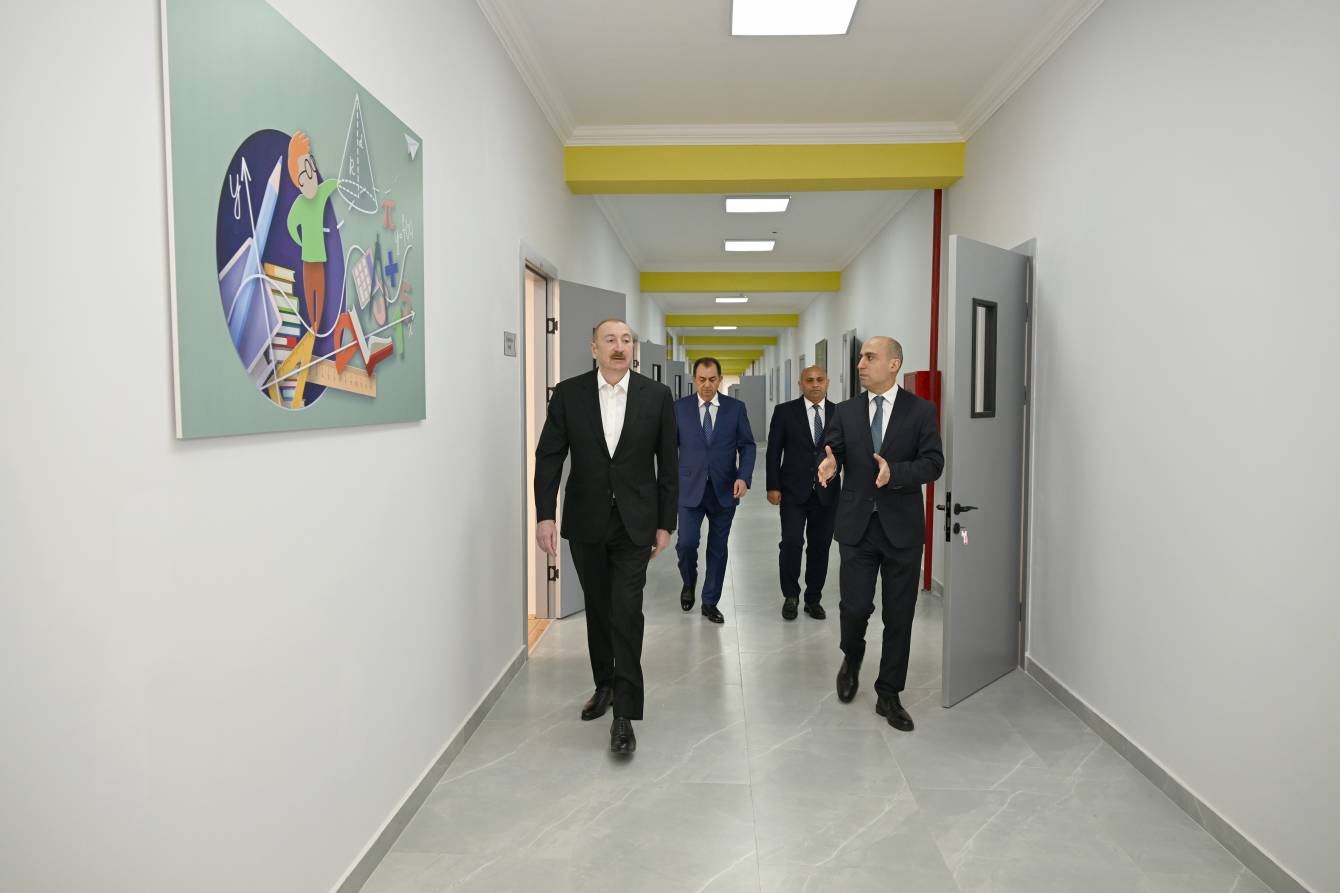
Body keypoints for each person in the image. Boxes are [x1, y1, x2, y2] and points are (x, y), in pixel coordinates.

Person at [534, 319, 677, 755]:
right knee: (598, 608)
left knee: (626, 612)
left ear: (633, 348)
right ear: (593, 347)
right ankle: (605, 685)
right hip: (587, 520)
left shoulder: (656, 395)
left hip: (635, 522)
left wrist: (665, 523)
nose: (619, 347)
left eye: (626, 340)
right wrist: (545, 515)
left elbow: (669, 464)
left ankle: (625, 715)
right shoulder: (569, 394)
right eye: (610, 340)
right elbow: (549, 455)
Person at [817, 337, 943, 732]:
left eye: (869, 357)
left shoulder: (920, 410)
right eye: (860, 358)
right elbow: (832, 450)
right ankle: (852, 656)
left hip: (902, 528)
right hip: (857, 525)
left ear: (894, 364)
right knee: (854, 607)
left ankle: (889, 692)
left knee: (899, 615)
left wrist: (896, 473)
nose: (860, 364)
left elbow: (933, 463)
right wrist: (828, 465)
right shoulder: (846, 411)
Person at [674, 358, 756, 625]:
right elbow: (668, 448)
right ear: (694, 380)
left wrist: (743, 477)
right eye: (702, 379)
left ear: (719, 379)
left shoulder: (735, 408)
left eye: (712, 379)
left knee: (718, 548)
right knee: (686, 544)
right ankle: (689, 582)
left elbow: (747, 446)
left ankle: (710, 602)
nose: (707, 385)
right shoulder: (680, 408)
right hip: (689, 488)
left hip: (724, 489)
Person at [765, 366, 840, 621]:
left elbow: (845, 452)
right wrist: (773, 486)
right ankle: (791, 596)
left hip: (827, 493)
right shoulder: (785, 412)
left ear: (827, 382)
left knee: (820, 546)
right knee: (791, 542)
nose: (815, 384)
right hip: (792, 491)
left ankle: (813, 599)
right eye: (809, 380)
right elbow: (773, 451)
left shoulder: (840, 413)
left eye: (820, 380)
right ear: (800, 384)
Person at [285, 132, 341, 333]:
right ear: (297, 181)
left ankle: (317, 323)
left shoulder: (320, 195)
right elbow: (291, 224)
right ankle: (314, 324)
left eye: (311, 168)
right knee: (310, 293)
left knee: (321, 290)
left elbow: (332, 185)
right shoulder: (300, 203)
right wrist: (300, 242)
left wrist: (342, 183)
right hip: (307, 259)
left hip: (320, 257)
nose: (310, 176)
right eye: (304, 173)